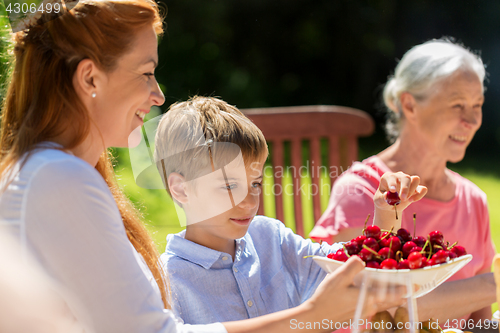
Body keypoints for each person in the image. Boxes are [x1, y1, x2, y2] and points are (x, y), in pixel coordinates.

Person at [0, 1, 399, 332]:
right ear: (90, 77)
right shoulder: (58, 179)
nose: (157, 94)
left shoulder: (52, 174)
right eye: (146, 72)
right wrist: (311, 316)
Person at [155, 96, 426, 325]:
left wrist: (387, 212)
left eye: (256, 184)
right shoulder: (166, 281)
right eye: (229, 186)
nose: (249, 201)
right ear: (181, 189)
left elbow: (352, 268)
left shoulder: (269, 238)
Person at [309, 38, 496, 323]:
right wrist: (492, 286)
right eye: (457, 104)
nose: (471, 120)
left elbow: (480, 322)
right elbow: (384, 313)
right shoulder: (361, 189)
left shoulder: (473, 200)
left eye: (477, 105)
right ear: (409, 104)